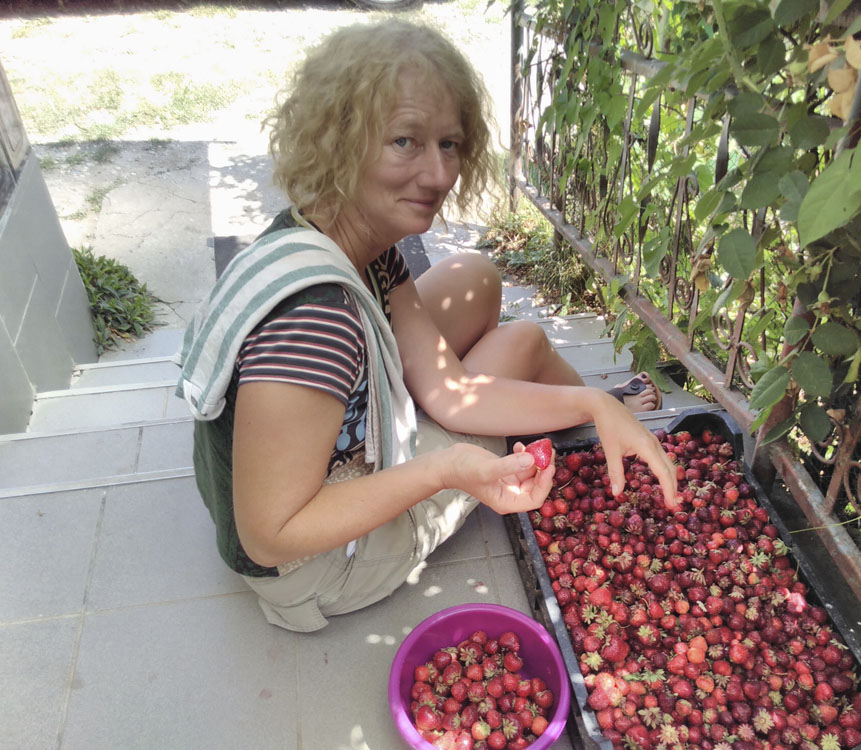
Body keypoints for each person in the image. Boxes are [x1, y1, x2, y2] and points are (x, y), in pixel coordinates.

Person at [175, 18, 677, 633]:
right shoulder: (316, 322)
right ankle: (587, 438)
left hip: (303, 457)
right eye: (405, 142)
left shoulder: (338, 230)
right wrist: (444, 470)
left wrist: (592, 398)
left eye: (450, 144)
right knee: (521, 344)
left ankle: (595, 416)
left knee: (477, 276)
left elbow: (446, 391)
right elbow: (271, 537)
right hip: (314, 566)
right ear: (340, 140)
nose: (440, 175)